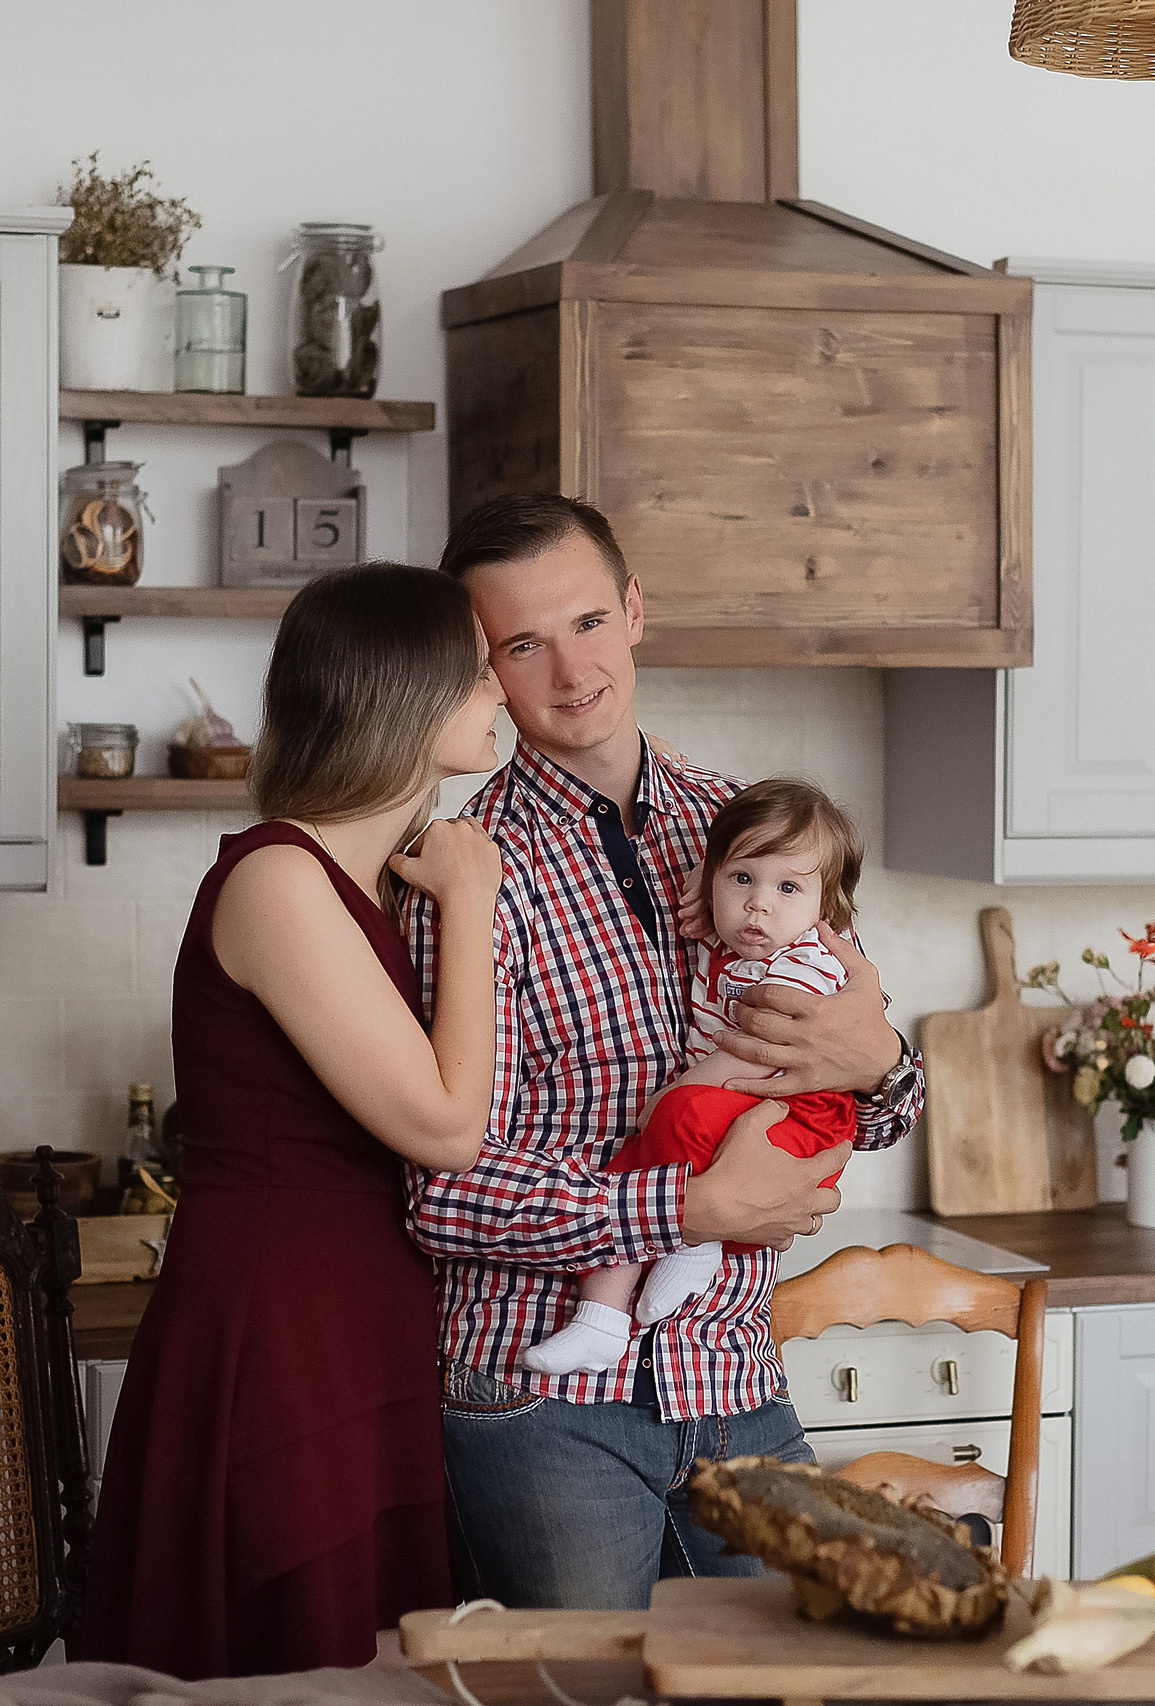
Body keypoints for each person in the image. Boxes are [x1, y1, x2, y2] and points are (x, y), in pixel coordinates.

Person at [405, 494, 927, 1610]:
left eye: (589, 620)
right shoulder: (468, 873)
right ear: (485, 667)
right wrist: (685, 1214)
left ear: (636, 609)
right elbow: (441, 1195)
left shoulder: (759, 832)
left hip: (735, 1378)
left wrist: (881, 1059)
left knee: (796, 1684)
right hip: (537, 1395)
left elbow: (876, 1101)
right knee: (581, 1698)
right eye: (522, 642)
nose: (571, 668)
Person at [78, 564, 507, 1676]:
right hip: (279, 1324)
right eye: (474, 668)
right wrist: (473, 903)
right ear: (403, 694)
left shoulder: (356, 885)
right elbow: (448, 1123)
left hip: (353, 1311)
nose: (498, 686)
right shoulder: (278, 877)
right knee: (290, 1660)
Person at [522, 778, 869, 1376]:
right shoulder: (737, 942)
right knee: (633, 1165)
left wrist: (678, 1090)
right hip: (741, 1103)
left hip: (800, 1115)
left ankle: (698, 1240)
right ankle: (601, 1317)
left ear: (827, 910)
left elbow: (760, 1052)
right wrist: (710, 889)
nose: (759, 904)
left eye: (787, 888)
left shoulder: (804, 966)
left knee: (674, 1119)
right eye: (743, 881)